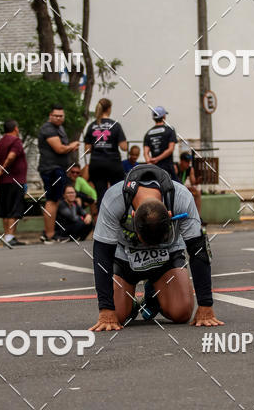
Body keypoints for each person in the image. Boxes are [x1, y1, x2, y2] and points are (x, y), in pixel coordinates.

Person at [89, 163, 224, 331]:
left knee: (181, 313)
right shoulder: (114, 199)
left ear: (169, 215)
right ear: (133, 215)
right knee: (118, 316)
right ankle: (130, 303)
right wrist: (106, 309)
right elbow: (102, 254)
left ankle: (154, 294)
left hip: (167, 257)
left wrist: (205, 305)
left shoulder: (182, 197)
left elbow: (198, 250)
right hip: (124, 257)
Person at [38, 104, 80, 243]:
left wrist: (69, 149)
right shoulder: (48, 128)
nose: (58, 118)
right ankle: (49, 235)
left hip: (59, 168)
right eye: (55, 115)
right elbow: (59, 149)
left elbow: (63, 149)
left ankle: (52, 233)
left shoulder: (59, 128)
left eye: (61, 116)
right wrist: (71, 146)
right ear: (50, 116)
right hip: (51, 169)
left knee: (55, 200)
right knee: (51, 200)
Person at [84, 98, 128, 206]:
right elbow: (124, 147)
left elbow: (87, 150)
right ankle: (117, 219)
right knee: (117, 192)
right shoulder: (115, 125)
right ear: (109, 109)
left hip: (97, 163)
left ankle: (101, 221)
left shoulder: (92, 126)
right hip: (112, 163)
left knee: (101, 194)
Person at [0, 119, 27, 247]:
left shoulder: (0, 142)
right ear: (15, 128)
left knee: (6, 209)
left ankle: (7, 236)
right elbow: (12, 156)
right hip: (16, 181)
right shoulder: (16, 141)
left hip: (4, 182)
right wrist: (2, 169)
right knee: (14, 209)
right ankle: (10, 236)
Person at [143, 106, 177, 178]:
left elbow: (145, 153)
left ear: (153, 118)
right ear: (164, 117)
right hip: (168, 168)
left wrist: (149, 162)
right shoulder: (170, 130)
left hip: (154, 169)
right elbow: (171, 149)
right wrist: (157, 159)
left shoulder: (148, 133)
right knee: (177, 187)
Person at [176, 151, 202, 217]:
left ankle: (198, 216)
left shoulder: (190, 169)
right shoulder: (175, 167)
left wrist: (197, 181)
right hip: (175, 188)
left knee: (197, 193)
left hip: (182, 188)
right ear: (181, 161)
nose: (188, 164)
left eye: (189, 162)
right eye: (186, 162)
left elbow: (193, 182)